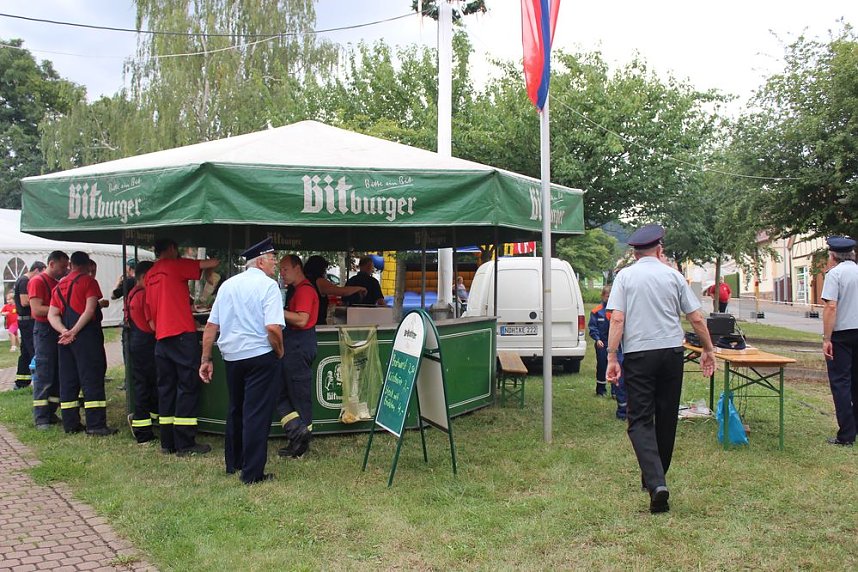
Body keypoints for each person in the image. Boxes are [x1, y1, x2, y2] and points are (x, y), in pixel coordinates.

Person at [606, 224, 715, 514]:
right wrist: (708, 349)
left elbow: (617, 319)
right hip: (671, 352)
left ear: (634, 253)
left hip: (639, 353)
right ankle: (656, 479)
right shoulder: (674, 276)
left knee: (640, 419)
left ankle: (656, 483)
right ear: (659, 249)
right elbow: (696, 317)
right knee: (666, 417)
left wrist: (612, 356)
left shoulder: (625, 276)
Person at [200, 238, 285, 483]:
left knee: (236, 408)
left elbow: (211, 326)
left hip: (232, 357)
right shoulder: (269, 286)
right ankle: (252, 473)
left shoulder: (228, 285)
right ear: (260, 262)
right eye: (272, 259)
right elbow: (273, 327)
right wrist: (279, 350)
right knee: (256, 414)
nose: (275, 263)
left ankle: (234, 462)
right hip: (260, 354)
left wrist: (206, 358)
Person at [145, 238, 219, 456]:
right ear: (171, 249)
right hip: (181, 334)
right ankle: (185, 443)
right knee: (187, 387)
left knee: (166, 389)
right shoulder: (174, 265)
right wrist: (207, 264)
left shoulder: (150, 274)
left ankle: (167, 441)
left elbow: (150, 313)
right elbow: (212, 263)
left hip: (161, 338)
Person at [48, 251, 117, 436]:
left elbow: (52, 315)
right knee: (92, 378)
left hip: (65, 340)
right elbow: (90, 310)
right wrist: (74, 331)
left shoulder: (59, 286)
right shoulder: (89, 282)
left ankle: (70, 423)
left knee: (68, 380)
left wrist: (64, 331)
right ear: (87, 265)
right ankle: (96, 425)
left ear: (71, 264)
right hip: (86, 338)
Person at [276, 254, 319, 459]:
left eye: (285, 269)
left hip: (299, 346)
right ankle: (296, 434)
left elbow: (302, 320)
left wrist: (275, 310)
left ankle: (302, 443)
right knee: (282, 392)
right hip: (294, 346)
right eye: (280, 270)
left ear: (297, 268)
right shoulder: (296, 290)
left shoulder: (305, 290)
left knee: (299, 396)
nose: (282, 273)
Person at [821, 236, 858, 447]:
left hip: (842, 334)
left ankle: (846, 434)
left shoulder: (834, 274)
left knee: (841, 382)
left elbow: (831, 307)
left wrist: (827, 338)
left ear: (833, 256)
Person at [28, 251, 69, 429]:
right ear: (51, 264)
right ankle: (41, 417)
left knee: (57, 373)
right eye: (62, 266)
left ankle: (51, 412)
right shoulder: (37, 281)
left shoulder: (56, 282)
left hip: (54, 329)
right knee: (44, 373)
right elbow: (37, 309)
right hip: (44, 330)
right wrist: (60, 309)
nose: (65, 270)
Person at [126, 261, 159, 444]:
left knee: (143, 384)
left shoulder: (132, 293)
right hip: (146, 343)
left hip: (136, 341)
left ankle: (146, 423)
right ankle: (143, 430)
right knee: (146, 385)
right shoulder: (145, 294)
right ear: (145, 277)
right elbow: (153, 324)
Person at [588, 285, 628, 419]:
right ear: (603, 296)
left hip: (616, 344)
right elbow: (592, 327)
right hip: (602, 343)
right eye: (607, 296)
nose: (609, 298)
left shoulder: (618, 311)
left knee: (618, 367)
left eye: (611, 296)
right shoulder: (597, 311)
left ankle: (615, 392)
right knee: (602, 366)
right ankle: (600, 390)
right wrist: (597, 339)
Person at [303, 255, 365, 325]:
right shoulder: (319, 281)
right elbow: (341, 291)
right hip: (317, 323)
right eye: (324, 269)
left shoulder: (304, 280)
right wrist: (359, 288)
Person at [13, 261, 46, 389]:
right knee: (34, 348)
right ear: (37, 270)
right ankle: (40, 381)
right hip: (28, 321)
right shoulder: (25, 281)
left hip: (25, 321)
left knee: (26, 351)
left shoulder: (23, 280)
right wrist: (39, 301)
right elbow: (25, 301)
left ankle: (21, 381)